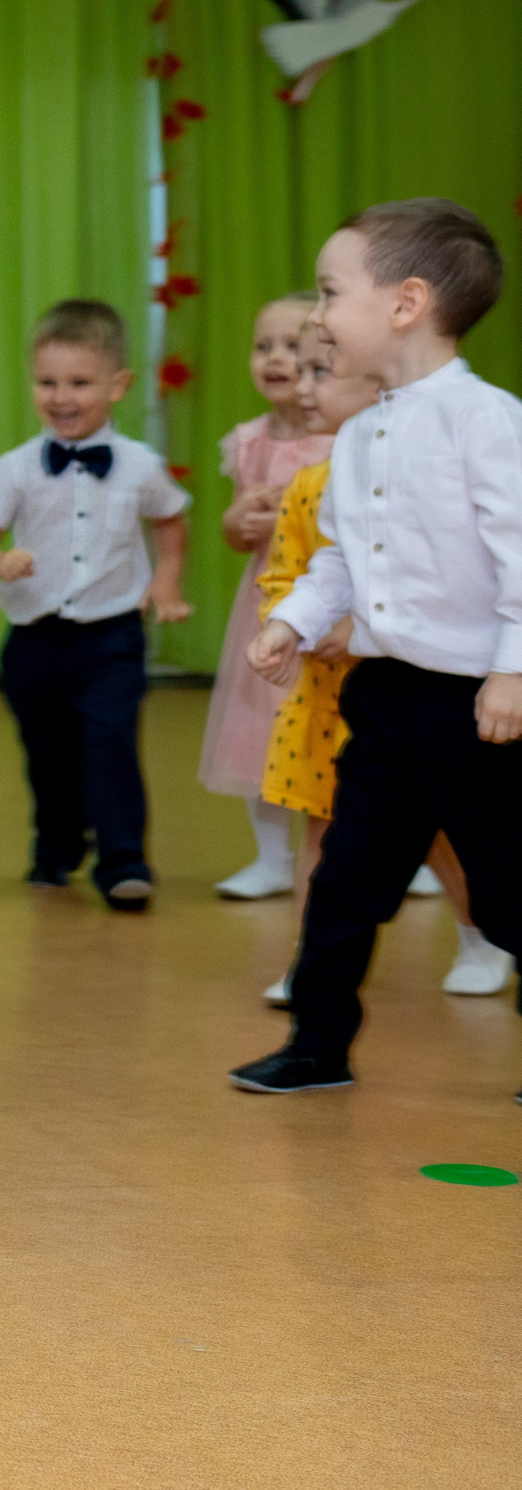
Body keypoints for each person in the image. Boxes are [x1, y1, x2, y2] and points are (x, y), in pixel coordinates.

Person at [236, 198, 521, 1096]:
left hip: (478, 704)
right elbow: (338, 558)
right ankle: (319, 1043)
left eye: (329, 292)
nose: (316, 316)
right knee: (346, 878)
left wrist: (513, 668)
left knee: (509, 884)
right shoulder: (359, 436)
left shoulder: (488, 422)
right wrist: (294, 619)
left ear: (405, 302)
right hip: (386, 694)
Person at [248, 330, 496, 1006]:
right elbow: (305, 566)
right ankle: (313, 992)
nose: (303, 388)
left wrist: (358, 628)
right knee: (332, 844)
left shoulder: (457, 441)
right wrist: (289, 622)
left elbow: (457, 573)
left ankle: (480, 936)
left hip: (432, 691)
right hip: (340, 696)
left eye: (321, 373)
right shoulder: (321, 476)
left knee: (457, 847)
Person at [0, 298, 192, 912]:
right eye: (47, 383)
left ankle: (123, 863)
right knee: (49, 756)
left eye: (80, 383)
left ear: (119, 386)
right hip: (34, 639)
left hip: (112, 637)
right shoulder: (17, 468)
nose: (61, 397)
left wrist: (166, 584)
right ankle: (56, 849)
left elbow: (171, 524)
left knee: (109, 744)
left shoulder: (141, 465)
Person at [203, 293, 333, 900]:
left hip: (329, 611)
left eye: (298, 352)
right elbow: (234, 533)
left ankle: (396, 851)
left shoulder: (344, 438)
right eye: (265, 346)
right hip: (264, 607)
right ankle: (272, 857)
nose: (277, 360)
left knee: (341, 736)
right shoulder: (249, 441)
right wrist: (241, 522)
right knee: (258, 730)